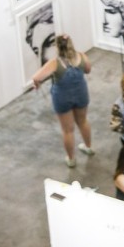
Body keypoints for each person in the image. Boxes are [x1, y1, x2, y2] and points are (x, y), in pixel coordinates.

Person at [29, 35, 95, 167]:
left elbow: (36, 77)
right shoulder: (81, 56)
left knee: (68, 130)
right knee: (83, 121)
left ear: (57, 47)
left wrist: (37, 84)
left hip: (62, 97)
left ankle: (71, 159)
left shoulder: (55, 63)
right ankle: (88, 147)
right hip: (80, 93)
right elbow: (88, 69)